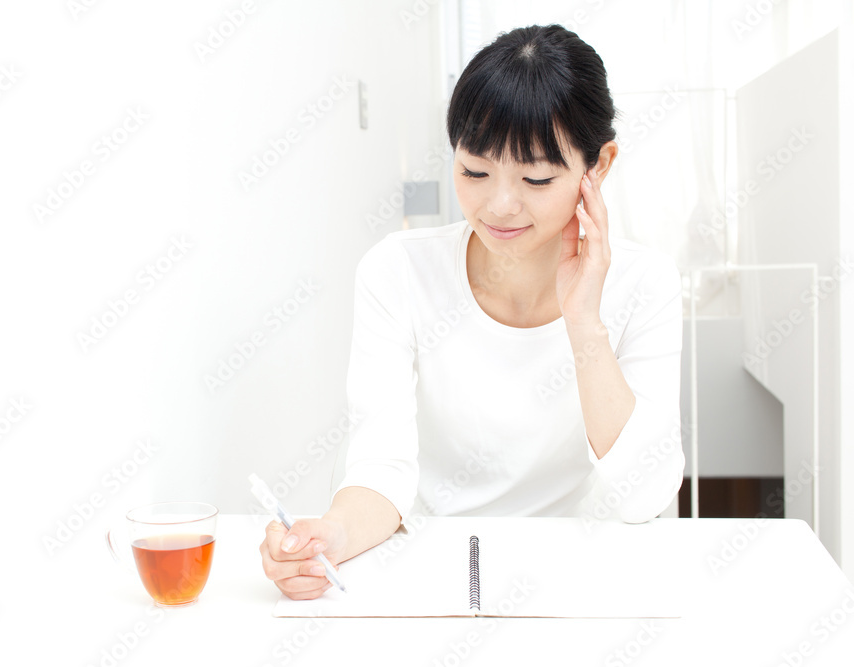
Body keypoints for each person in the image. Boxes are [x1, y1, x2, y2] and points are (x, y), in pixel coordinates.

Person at [259, 24, 685, 601]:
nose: (500, 205)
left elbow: (645, 496)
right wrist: (330, 537)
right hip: (437, 567)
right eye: (474, 172)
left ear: (598, 165)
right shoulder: (398, 272)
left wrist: (584, 319)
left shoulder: (645, 283)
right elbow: (380, 466)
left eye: (536, 178)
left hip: (581, 576)